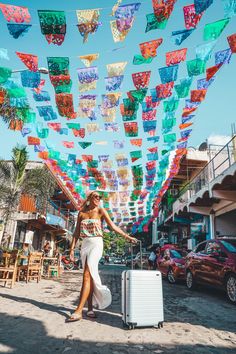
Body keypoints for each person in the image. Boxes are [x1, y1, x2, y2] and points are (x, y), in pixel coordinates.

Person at [67, 191, 137, 322]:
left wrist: (127, 236)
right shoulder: (81, 213)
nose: (98, 199)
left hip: (96, 243)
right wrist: (71, 249)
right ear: (89, 198)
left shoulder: (100, 210)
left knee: (87, 274)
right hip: (85, 244)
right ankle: (90, 309)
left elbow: (113, 226)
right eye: (96, 196)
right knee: (90, 275)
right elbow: (76, 232)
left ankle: (78, 311)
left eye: (100, 197)